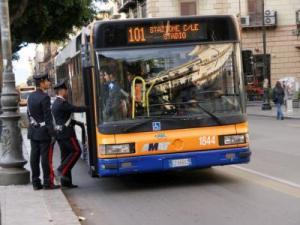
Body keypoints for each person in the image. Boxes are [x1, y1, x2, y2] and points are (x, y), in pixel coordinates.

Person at [52, 79, 88, 188]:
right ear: (62, 91)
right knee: (77, 151)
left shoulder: (56, 103)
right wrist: (89, 108)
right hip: (67, 134)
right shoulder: (62, 103)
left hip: (60, 133)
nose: (67, 92)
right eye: (66, 90)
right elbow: (75, 109)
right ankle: (61, 170)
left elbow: (63, 118)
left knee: (65, 155)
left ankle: (66, 182)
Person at [27, 73, 59, 190]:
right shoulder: (44, 97)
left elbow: (28, 115)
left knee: (34, 157)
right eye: (47, 81)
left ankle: (35, 182)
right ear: (41, 82)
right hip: (43, 132)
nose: (49, 83)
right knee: (45, 158)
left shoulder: (30, 96)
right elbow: (48, 118)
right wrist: (53, 134)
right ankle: (47, 182)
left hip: (33, 131)